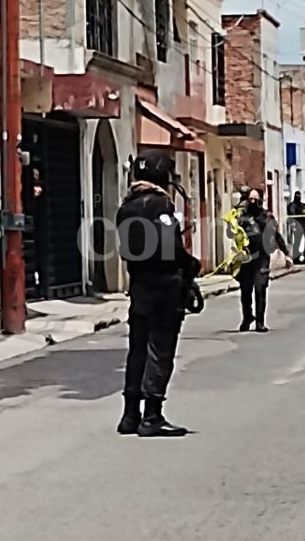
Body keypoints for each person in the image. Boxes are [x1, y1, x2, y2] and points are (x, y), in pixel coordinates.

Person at [115, 149, 201, 437]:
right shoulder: (160, 205)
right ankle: (152, 416)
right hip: (164, 288)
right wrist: (190, 266)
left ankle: (130, 415)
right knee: (160, 351)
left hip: (138, 285)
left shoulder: (126, 207)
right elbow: (169, 247)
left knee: (137, 350)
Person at [236, 187, 291, 332]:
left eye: (256, 199)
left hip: (262, 259)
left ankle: (260, 322)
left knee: (260, 289)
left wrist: (286, 254)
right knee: (245, 291)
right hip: (246, 259)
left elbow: (277, 235)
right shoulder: (242, 216)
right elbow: (235, 236)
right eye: (250, 199)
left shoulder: (267, 217)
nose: (253, 202)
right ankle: (247, 317)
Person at [286, 191, 305, 264]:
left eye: (299, 195)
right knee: (296, 243)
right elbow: (292, 214)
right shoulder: (292, 205)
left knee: (304, 242)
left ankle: (304, 258)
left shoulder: (301, 205)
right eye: (297, 195)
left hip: (303, 225)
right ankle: (296, 258)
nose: (299, 197)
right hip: (296, 226)